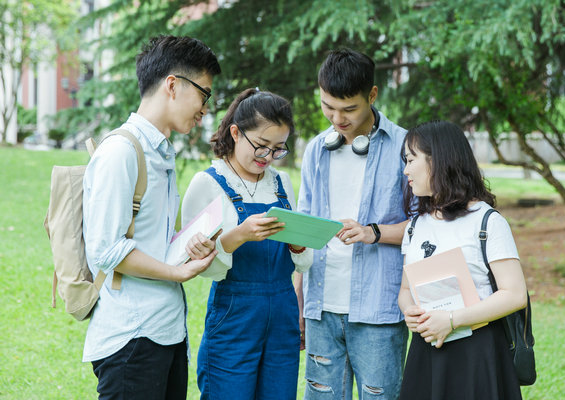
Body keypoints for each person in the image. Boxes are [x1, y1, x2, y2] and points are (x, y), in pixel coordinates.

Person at [82, 35, 222, 400]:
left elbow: (152, 240)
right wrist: (177, 272)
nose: (206, 108)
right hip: (131, 339)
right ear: (173, 85)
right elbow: (107, 250)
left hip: (167, 331)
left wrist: (187, 247)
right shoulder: (121, 152)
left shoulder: (161, 152)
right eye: (204, 94)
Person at [181, 88, 314, 400]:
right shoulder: (208, 184)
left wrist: (297, 246)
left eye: (278, 149)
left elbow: (302, 263)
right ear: (236, 133)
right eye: (261, 146)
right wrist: (239, 235)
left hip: (282, 313)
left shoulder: (281, 183)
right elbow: (194, 265)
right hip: (235, 313)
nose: (267, 157)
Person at [295, 48, 410, 399]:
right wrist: (298, 298)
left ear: (372, 96)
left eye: (349, 109)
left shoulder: (406, 147)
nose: (337, 119)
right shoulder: (316, 149)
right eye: (327, 107)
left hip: (380, 309)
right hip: (321, 309)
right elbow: (303, 230)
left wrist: (372, 232)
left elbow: (428, 227)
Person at [397, 120, 527, 400]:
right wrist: (410, 311)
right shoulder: (415, 226)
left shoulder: (487, 221)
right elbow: (406, 291)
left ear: (439, 160)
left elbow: (515, 294)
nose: (406, 170)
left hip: (477, 353)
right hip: (427, 351)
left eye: (410, 160)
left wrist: (453, 319)